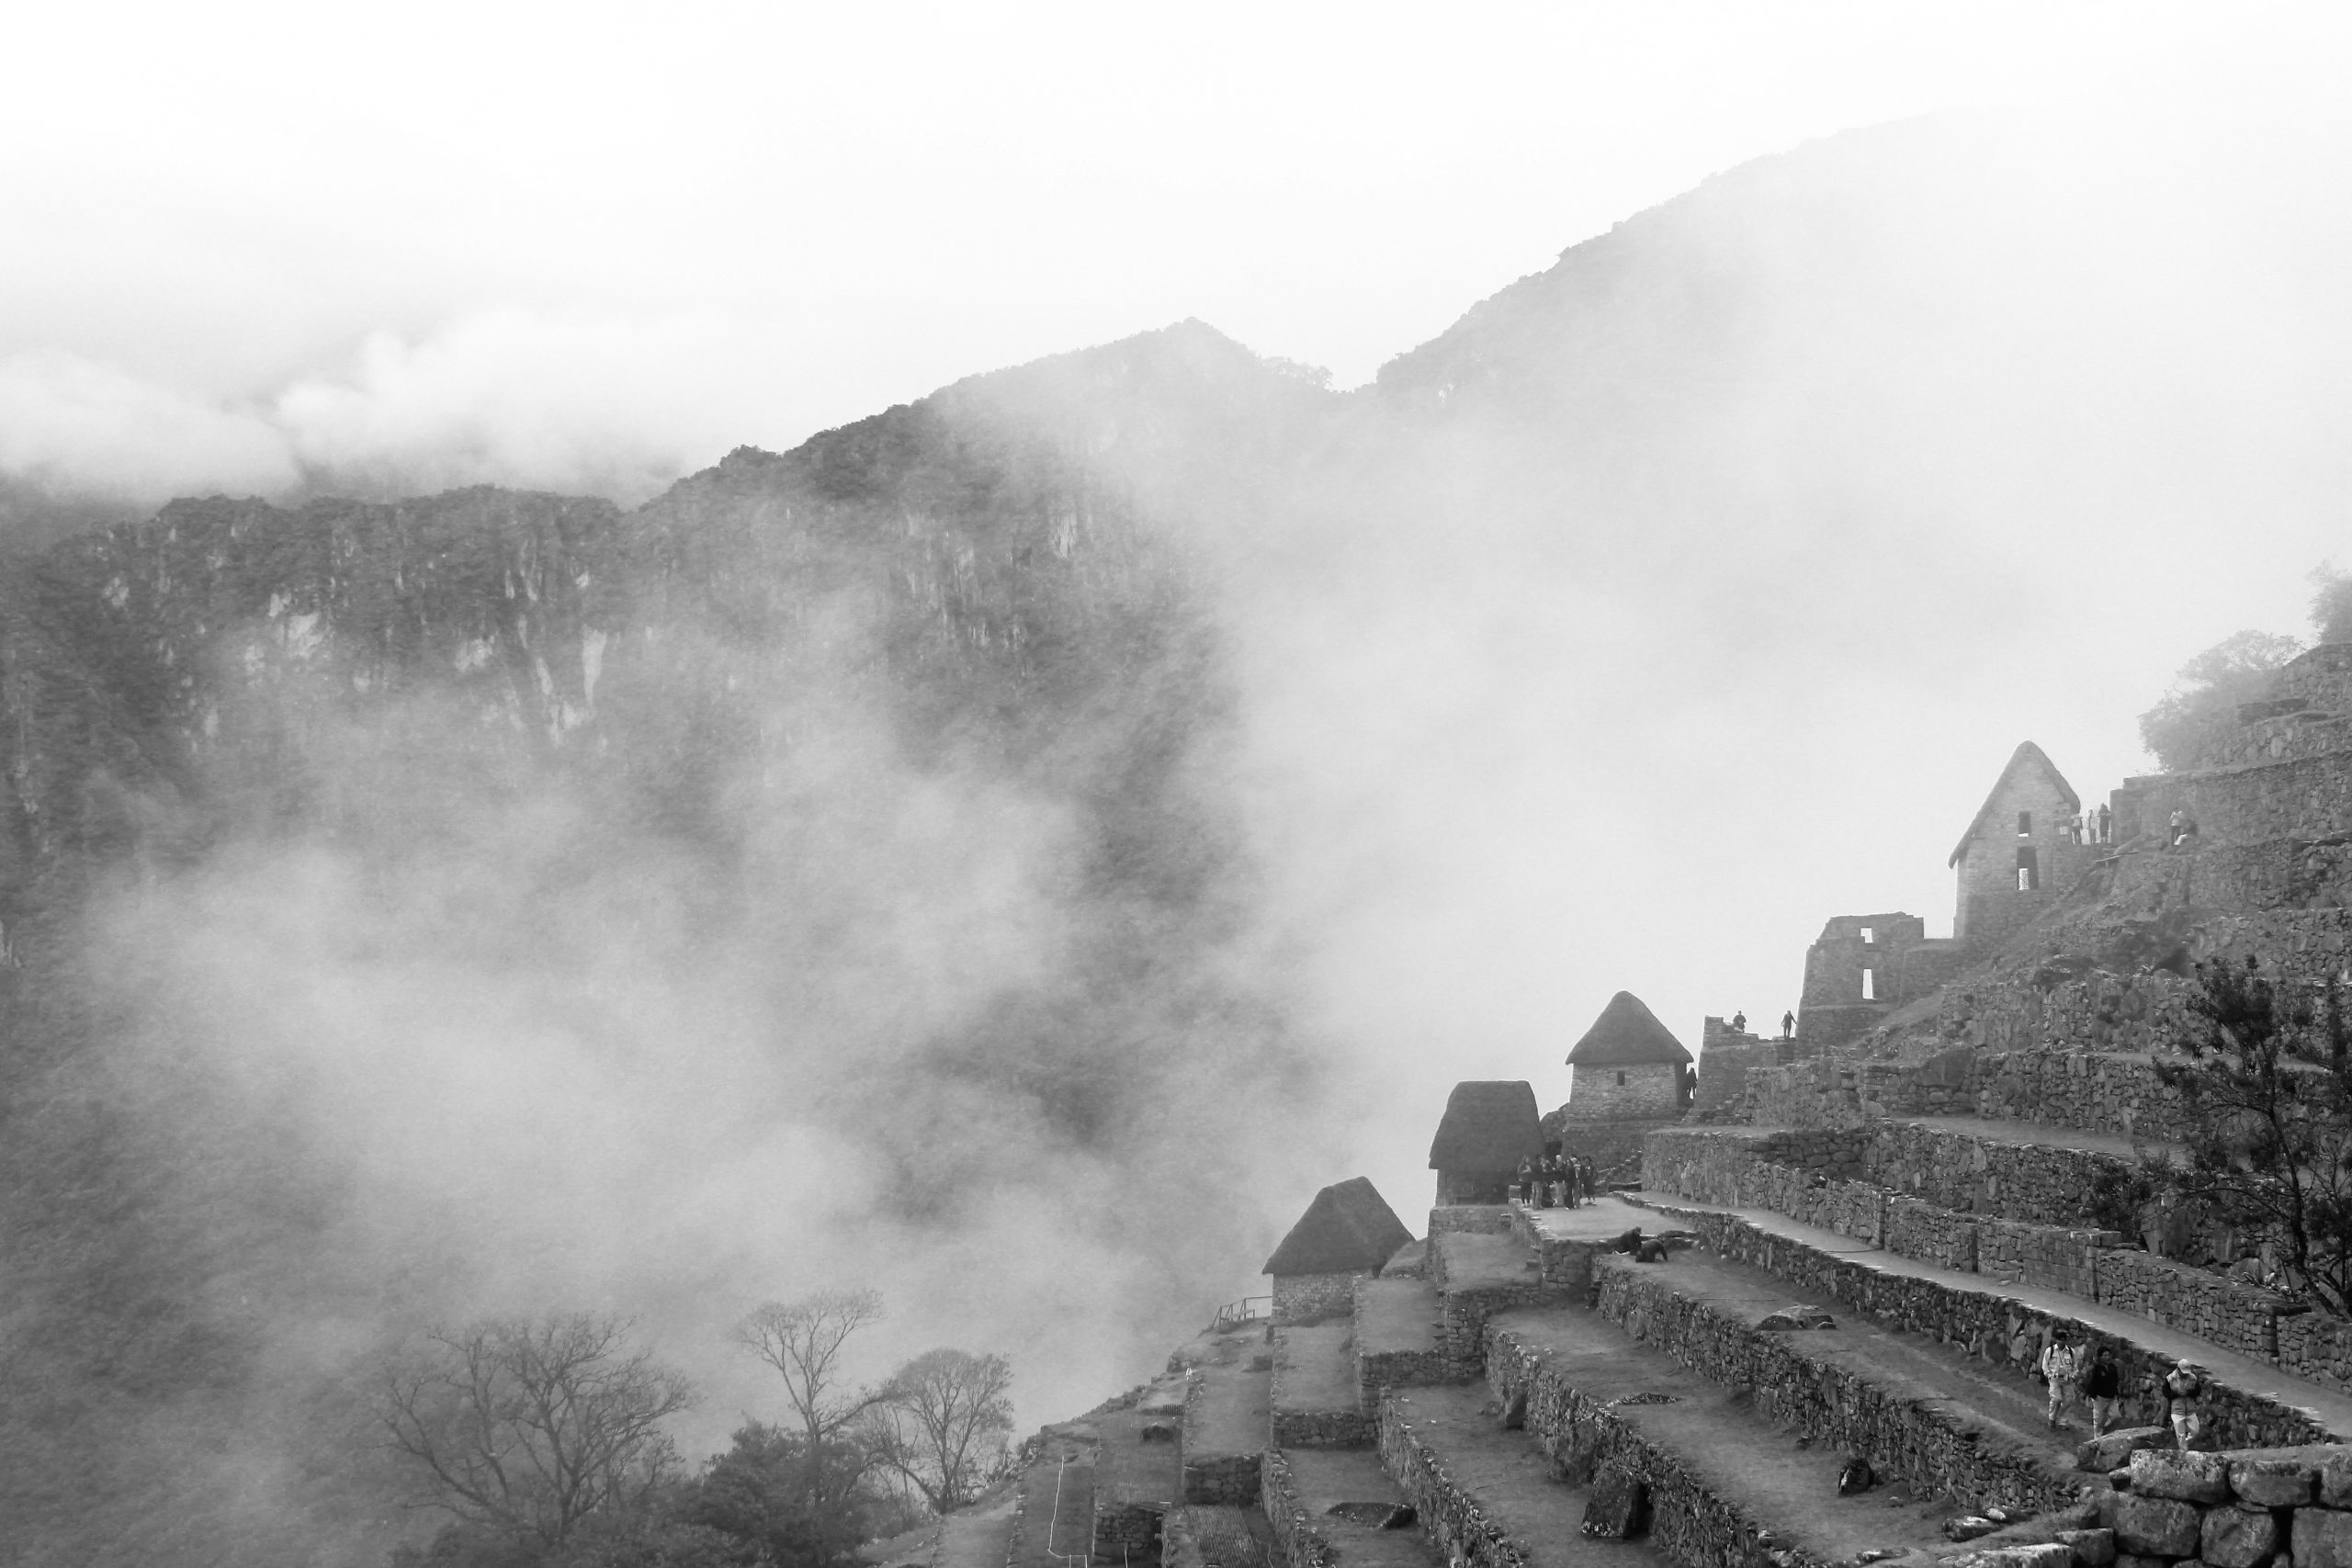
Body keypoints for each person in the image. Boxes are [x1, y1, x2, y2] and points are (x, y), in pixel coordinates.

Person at [2038, 1333, 2085, 1428]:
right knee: (2056, 1399)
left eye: (2064, 1340)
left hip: (2067, 1380)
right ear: (2056, 1340)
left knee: (2069, 1401)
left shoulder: (2071, 1352)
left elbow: (2075, 1366)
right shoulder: (2050, 1351)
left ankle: (2062, 1420)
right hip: (2055, 1379)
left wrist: (2073, 1376)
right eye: (2060, 1339)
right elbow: (2045, 1365)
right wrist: (2049, 1375)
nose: (2062, 1342)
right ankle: (2052, 1418)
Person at [2164, 1359, 2204, 1451]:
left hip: (2190, 1409)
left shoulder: (2193, 1378)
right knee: (2180, 1434)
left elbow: (2198, 1391)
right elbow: (2166, 1392)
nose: (2184, 1374)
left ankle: (2186, 1443)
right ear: (2178, 1369)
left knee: (2195, 1431)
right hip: (2177, 1410)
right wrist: (2177, 1393)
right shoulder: (2170, 1378)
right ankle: (2183, 1451)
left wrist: (2189, 1392)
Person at [2083, 1346, 2121, 1436]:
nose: (2107, 1357)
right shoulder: (2097, 1368)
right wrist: (2089, 1395)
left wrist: (2116, 1393)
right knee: (2098, 1420)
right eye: (2105, 1355)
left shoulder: (2112, 1368)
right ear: (2100, 1357)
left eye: (2108, 1355)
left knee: (2116, 1417)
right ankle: (2097, 1440)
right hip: (2100, 1398)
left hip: (2112, 1398)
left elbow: (2115, 1381)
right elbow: (2093, 1382)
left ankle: (2106, 1432)